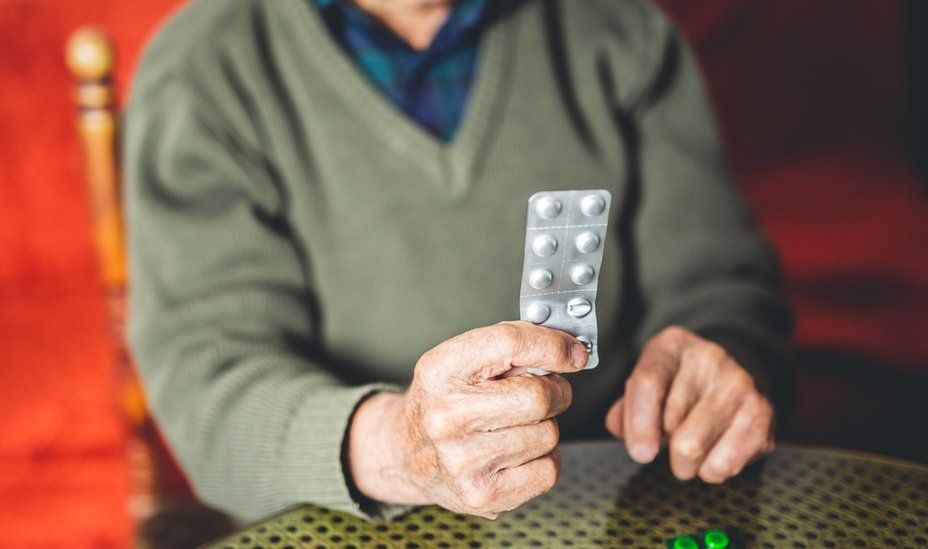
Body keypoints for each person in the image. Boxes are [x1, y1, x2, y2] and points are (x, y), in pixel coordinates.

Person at [124, 0, 793, 523]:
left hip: (617, 497)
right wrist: (398, 447)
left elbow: (722, 285)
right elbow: (208, 384)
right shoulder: (201, 70)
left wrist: (723, 357)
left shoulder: (621, 32)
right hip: (346, 522)